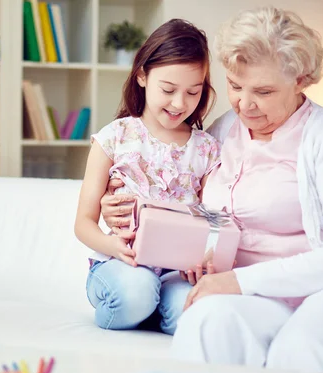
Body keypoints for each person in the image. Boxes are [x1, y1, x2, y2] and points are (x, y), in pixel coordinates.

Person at [99, 6, 323, 373]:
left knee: (299, 348)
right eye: (235, 85)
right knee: (204, 323)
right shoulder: (225, 130)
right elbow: (181, 194)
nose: (244, 103)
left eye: (263, 90)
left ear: (301, 79)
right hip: (258, 294)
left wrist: (240, 279)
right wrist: (121, 200)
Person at [74, 19, 221, 334]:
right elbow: (83, 222)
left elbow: (214, 219)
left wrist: (207, 257)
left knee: (194, 314)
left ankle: (152, 309)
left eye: (193, 92)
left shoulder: (207, 149)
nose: (179, 103)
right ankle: (142, 305)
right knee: (135, 291)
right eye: (168, 89)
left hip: (175, 274)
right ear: (142, 75)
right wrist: (113, 247)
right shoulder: (115, 137)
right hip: (120, 265)